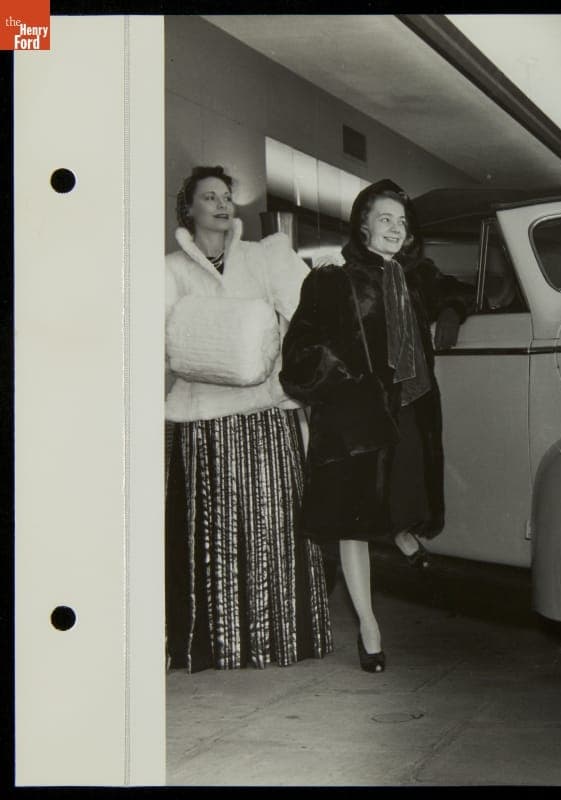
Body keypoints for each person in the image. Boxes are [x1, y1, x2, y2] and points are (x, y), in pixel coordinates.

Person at [280, 179, 470, 672]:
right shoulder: (332, 280)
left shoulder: (416, 276)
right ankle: (368, 627)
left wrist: (451, 312)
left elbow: (458, 289)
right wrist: (347, 378)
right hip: (356, 421)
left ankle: (403, 536)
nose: (395, 229)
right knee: (355, 524)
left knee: (402, 494)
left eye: (401, 222)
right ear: (362, 225)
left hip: (410, 408)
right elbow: (298, 354)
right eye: (385, 219)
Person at [164, 165, 333, 672]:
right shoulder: (168, 270)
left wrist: (289, 372)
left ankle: (277, 639)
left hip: (263, 413)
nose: (221, 204)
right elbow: (158, 341)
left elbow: (310, 314)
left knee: (273, 525)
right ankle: (210, 645)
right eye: (208, 197)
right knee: (209, 534)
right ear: (188, 208)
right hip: (200, 418)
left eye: (226, 196)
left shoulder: (263, 257)